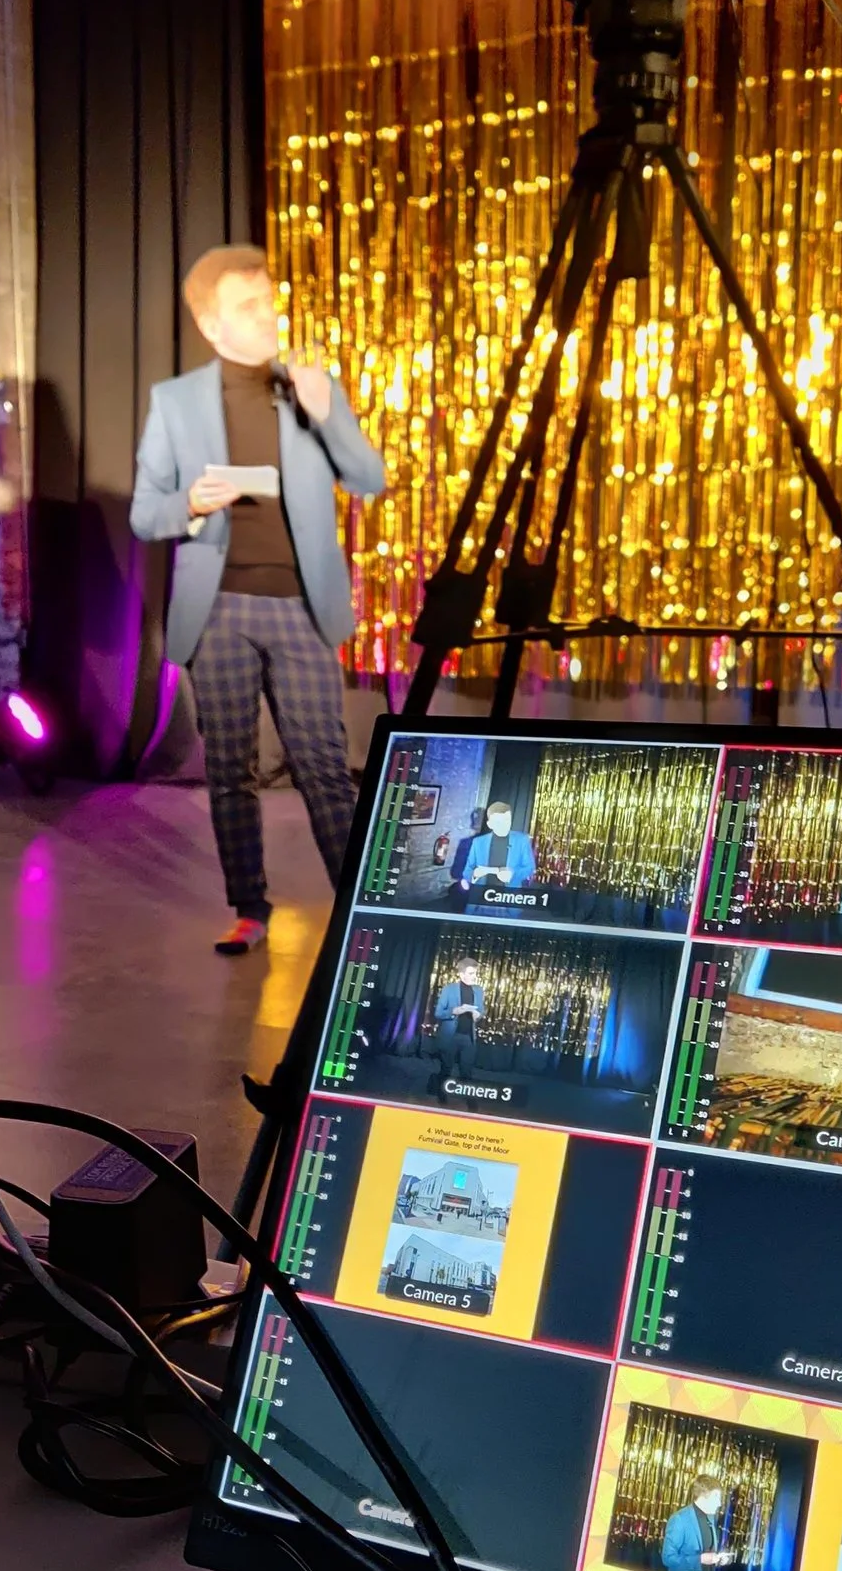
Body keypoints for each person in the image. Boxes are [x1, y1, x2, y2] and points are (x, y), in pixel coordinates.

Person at [130, 245, 388, 955]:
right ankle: (249, 908)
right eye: (251, 306)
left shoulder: (310, 385)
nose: (270, 315)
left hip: (300, 608)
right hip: (218, 612)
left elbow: (369, 479)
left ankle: (360, 915)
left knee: (325, 770)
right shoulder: (176, 403)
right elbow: (145, 514)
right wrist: (189, 501)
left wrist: (327, 414)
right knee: (229, 772)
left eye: (272, 300)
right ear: (212, 325)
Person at [659, 1475, 739, 1571]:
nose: (719, 1503)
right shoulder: (679, 1519)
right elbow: (668, 1558)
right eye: (716, 1497)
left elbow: (708, 1550)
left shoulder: (711, 1518)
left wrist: (718, 1559)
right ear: (703, 1496)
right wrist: (699, 1559)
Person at [450, 802, 538, 895]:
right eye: (499, 821)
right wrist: (475, 874)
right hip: (480, 897)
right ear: (490, 824)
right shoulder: (478, 842)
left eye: (507, 820)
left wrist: (513, 874)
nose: (504, 825)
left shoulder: (522, 840)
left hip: (509, 898)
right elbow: (466, 872)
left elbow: (530, 868)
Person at [431, 958, 486, 1085]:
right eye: (471, 973)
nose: (474, 976)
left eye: (475, 973)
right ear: (461, 974)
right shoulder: (449, 989)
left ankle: (465, 1094)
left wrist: (478, 1015)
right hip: (451, 1036)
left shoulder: (478, 991)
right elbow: (438, 1013)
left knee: (466, 1072)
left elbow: (481, 1010)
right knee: (446, 1069)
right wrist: (454, 1011)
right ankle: (440, 1093)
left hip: (468, 1037)